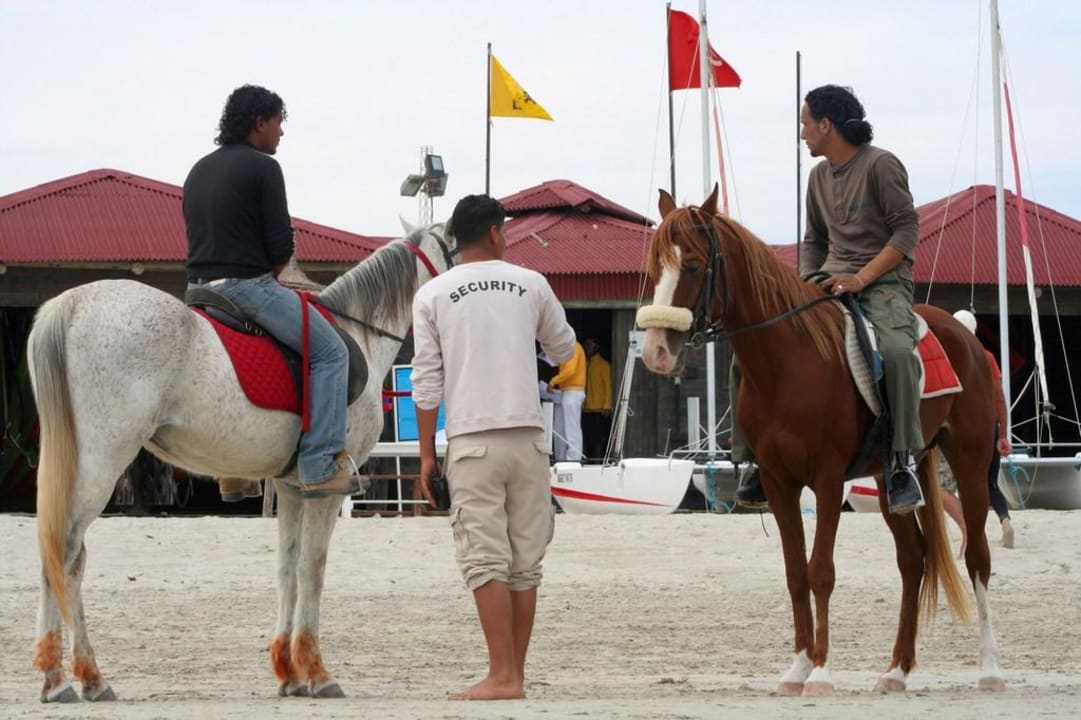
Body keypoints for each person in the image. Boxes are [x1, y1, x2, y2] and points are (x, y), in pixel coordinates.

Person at [411, 194, 576, 700]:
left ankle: (501, 676)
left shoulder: (433, 294)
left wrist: (425, 455)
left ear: (456, 239)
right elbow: (564, 350)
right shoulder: (532, 284)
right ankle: (514, 675)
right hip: (528, 437)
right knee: (525, 562)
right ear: (498, 233)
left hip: (472, 439)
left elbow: (426, 383)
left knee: (485, 560)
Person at [734, 84, 925, 515]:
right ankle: (751, 458)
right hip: (827, 281)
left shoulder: (882, 165)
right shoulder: (817, 177)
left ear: (826, 125)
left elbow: (906, 232)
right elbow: (814, 240)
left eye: (805, 123)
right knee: (746, 350)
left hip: (884, 284)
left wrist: (862, 277)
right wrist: (804, 284)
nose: (802, 132)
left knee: (895, 353)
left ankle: (902, 462)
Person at [183, 84, 356, 498]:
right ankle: (317, 464)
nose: (281, 132)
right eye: (278, 122)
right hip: (248, 287)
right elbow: (280, 247)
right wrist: (275, 273)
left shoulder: (198, 170)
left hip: (197, 292)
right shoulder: (263, 168)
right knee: (333, 353)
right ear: (259, 122)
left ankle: (234, 468)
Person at [954, 309, 1016, 548]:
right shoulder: (987, 357)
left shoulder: (950, 355)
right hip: (988, 425)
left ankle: (968, 531)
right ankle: (1005, 520)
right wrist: (1002, 434)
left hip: (960, 426)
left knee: (951, 485)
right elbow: (998, 396)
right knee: (989, 482)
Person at [548, 340, 587, 461]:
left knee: (571, 428)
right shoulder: (570, 347)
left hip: (573, 391)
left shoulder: (572, 347)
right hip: (568, 391)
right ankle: (563, 458)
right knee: (564, 428)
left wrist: (554, 381)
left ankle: (573, 458)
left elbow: (570, 370)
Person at [581, 338, 613, 460]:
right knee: (586, 438)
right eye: (586, 344)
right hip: (586, 409)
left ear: (596, 346)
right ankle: (587, 462)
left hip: (599, 409)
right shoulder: (585, 363)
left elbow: (609, 386)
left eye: (590, 344)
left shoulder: (604, 365)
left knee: (598, 440)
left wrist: (607, 405)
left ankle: (597, 463)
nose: (587, 347)